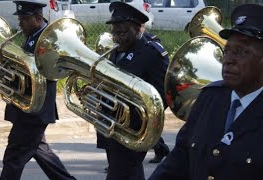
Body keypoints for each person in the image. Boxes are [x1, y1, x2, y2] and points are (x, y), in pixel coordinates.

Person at [149, 4, 263, 180]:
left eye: (241, 52)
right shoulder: (210, 97)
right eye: (227, 51)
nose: (229, 60)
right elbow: (179, 159)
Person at [0, 1, 76, 179]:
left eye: (25, 19)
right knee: (42, 153)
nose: (20, 24)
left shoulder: (47, 38)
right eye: (20, 19)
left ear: (38, 18)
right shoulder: (33, 35)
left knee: (13, 157)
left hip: (35, 109)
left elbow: (45, 73)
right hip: (29, 108)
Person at [96, 2, 169, 179]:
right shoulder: (114, 51)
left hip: (133, 129)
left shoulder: (151, 53)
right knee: (129, 174)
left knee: (120, 173)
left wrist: (135, 116)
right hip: (110, 125)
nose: (117, 38)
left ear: (138, 29)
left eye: (122, 33)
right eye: (114, 32)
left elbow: (163, 93)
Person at [141, 26, 170, 164]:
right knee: (145, 124)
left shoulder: (149, 44)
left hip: (158, 92)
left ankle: (161, 149)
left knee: (145, 124)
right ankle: (161, 149)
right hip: (151, 91)